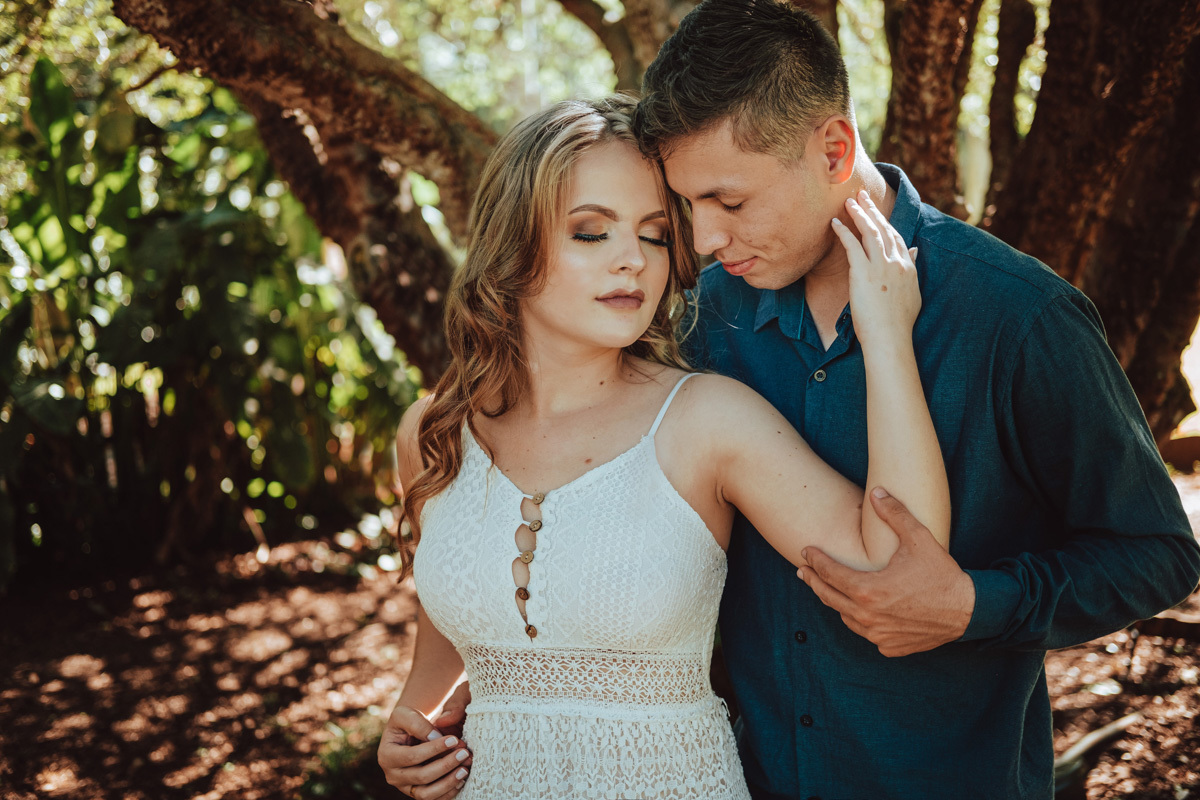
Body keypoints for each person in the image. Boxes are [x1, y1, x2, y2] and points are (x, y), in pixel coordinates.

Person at [624, 1, 1200, 798]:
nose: (709, 239)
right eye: (688, 207)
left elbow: (1158, 553)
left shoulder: (1019, 318)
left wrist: (977, 604)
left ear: (833, 149)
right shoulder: (707, 318)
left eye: (730, 201)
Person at [376, 94, 950, 799]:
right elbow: (442, 666)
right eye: (591, 233)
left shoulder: (705, 420)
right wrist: (410, 740)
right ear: (512, 242)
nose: (633, 263)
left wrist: (887, 336)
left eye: (652, 236)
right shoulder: (431, 435)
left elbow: (900, 562)